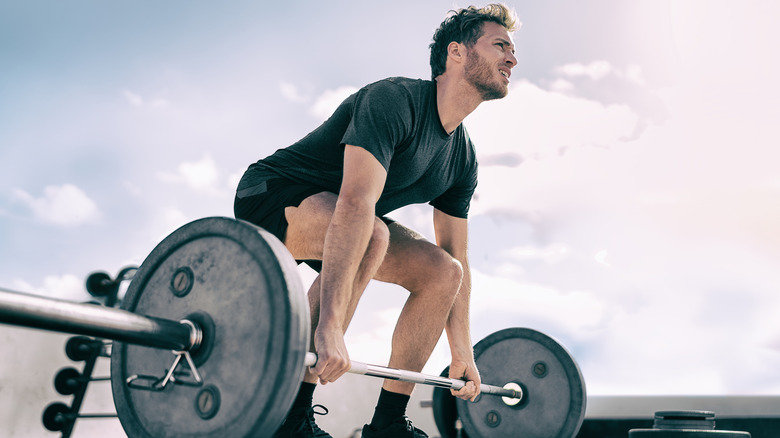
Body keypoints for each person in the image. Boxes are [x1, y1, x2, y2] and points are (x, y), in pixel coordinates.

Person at [234, 4, 518, 437]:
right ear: (457, 53)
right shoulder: (395, 100)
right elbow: (354, 203)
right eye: (500, 45)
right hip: (271, 194)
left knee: (444, 272)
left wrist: (463, 352)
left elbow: (455, 253)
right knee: (371, 232)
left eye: (512, 50)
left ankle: (387, 425)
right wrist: (329, 327)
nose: (512, 58)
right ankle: (289, 420)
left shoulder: (461, 158)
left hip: (353, 222)